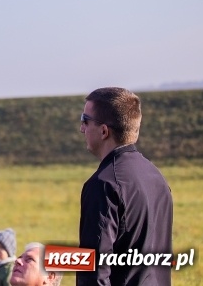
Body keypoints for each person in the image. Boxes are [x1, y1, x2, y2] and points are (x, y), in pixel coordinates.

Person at [77, 87, 173, 286]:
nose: (81, 128)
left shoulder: (104, 184)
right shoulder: (156, 176)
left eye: (85, 120)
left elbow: (94, 273)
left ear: (104, 131)